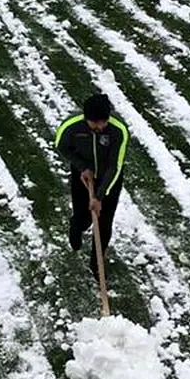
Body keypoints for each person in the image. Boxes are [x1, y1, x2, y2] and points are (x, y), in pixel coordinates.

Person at [54, 93, 130, 279]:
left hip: (109, 180)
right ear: (86, 118)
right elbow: (61, 146)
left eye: (103, 122)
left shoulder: (118, 130)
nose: (100, 127)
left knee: (104, 224)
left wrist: (100, 196)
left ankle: (96, 263)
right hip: (83, 179)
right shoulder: (71, 126)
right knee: (84, 217)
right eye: (95, 123)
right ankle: (76, 226)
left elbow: (115, 166)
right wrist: (82, 167)